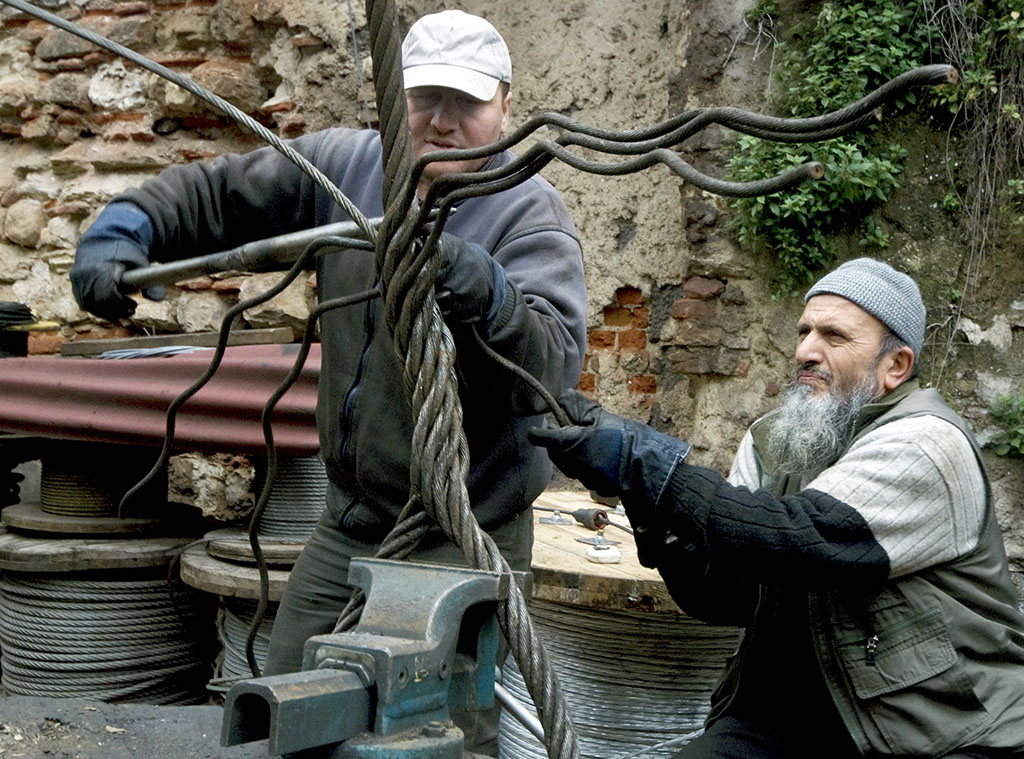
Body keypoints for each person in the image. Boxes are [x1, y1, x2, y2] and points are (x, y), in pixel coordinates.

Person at [70, 9, 587, 754]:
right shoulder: (343, 170)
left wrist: (490, 295)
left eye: (466, 103)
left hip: (461, 538)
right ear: (393, 100)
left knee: (424, 738)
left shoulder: (530, 218)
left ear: (504, 105)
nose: (441, 122)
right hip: (350, 522)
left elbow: (550, 372)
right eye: (424, 98)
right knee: (280, 721)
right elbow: (219, 195)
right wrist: (131, 223)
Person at [531, 257, 1024, 759]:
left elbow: (798, 539)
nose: (807, 351)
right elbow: (723, 595)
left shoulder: (928, 443)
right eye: (805, 331)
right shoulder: (774, 439)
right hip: (786, 723)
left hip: (936, 731)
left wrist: (645, 463)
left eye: (834, 336)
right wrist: (637, 491)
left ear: (895, 365)